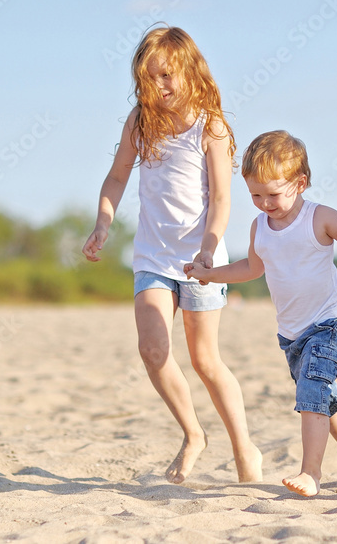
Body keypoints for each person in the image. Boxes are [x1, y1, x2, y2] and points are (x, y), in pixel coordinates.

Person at [82, 26, 263, 484]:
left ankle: (245, 448)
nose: (159, 86)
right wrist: (103, 221)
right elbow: (117, 177)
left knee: (205, 360)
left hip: (203, 258)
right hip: (153, 258)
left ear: (189, 70)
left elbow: (222, 199)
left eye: (166, 75)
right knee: (152, 347)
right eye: (149, 78)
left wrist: (208, 249)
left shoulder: (211, 125)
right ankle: (193, 434)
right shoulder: (141, 122)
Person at [185, 130, 337, 496]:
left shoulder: (321, 218)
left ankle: (310, 473)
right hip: (291, 335)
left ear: (300, 183)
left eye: (273, 194)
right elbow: (251, 268)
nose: (264, 203)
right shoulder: (260, 228)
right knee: (325, 398)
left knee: (312, 392)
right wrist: (212, 275)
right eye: (255, 195)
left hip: (328, 324)